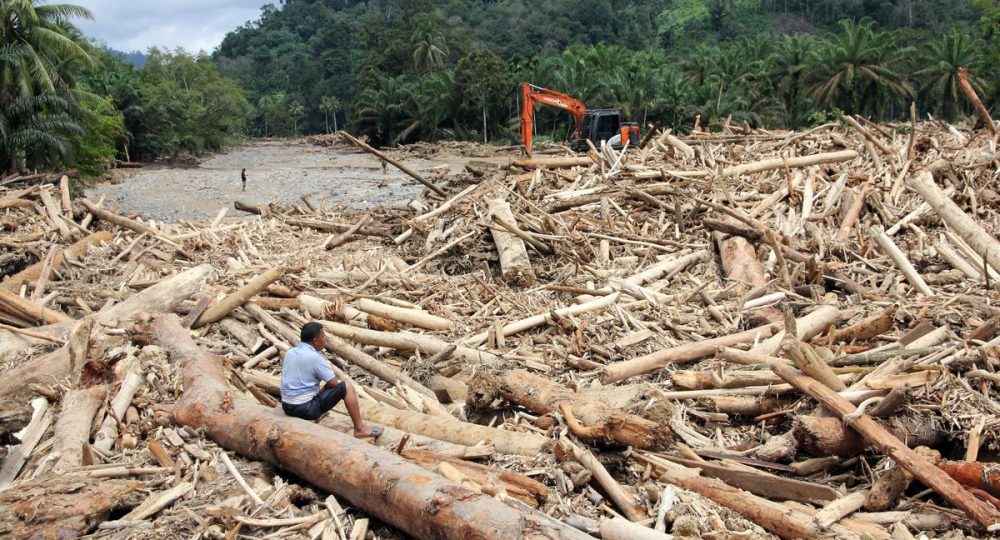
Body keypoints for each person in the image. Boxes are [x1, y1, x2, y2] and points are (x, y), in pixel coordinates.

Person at [280, 322, 380, 438]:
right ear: (315, 341)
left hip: (287, 406)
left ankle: (316, 410)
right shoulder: (315, 358)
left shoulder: (290, 352)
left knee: (325, 386)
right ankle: (359, 428)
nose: (325, 340)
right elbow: (333, 383)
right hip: (304, 409)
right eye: (323, 337)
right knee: (346, 386)